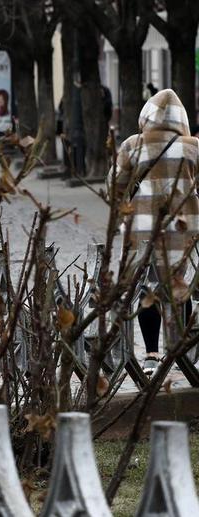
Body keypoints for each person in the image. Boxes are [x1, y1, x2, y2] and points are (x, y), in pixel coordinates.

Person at [109, 89, 198, 373]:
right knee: (178, 287)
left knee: (147, 289)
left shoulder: (133, 145)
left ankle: (150, 354)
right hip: (183, 227)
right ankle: (180, 351)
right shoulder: (193, 146)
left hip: (142, 229)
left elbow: (115, 186)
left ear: (147, 115)